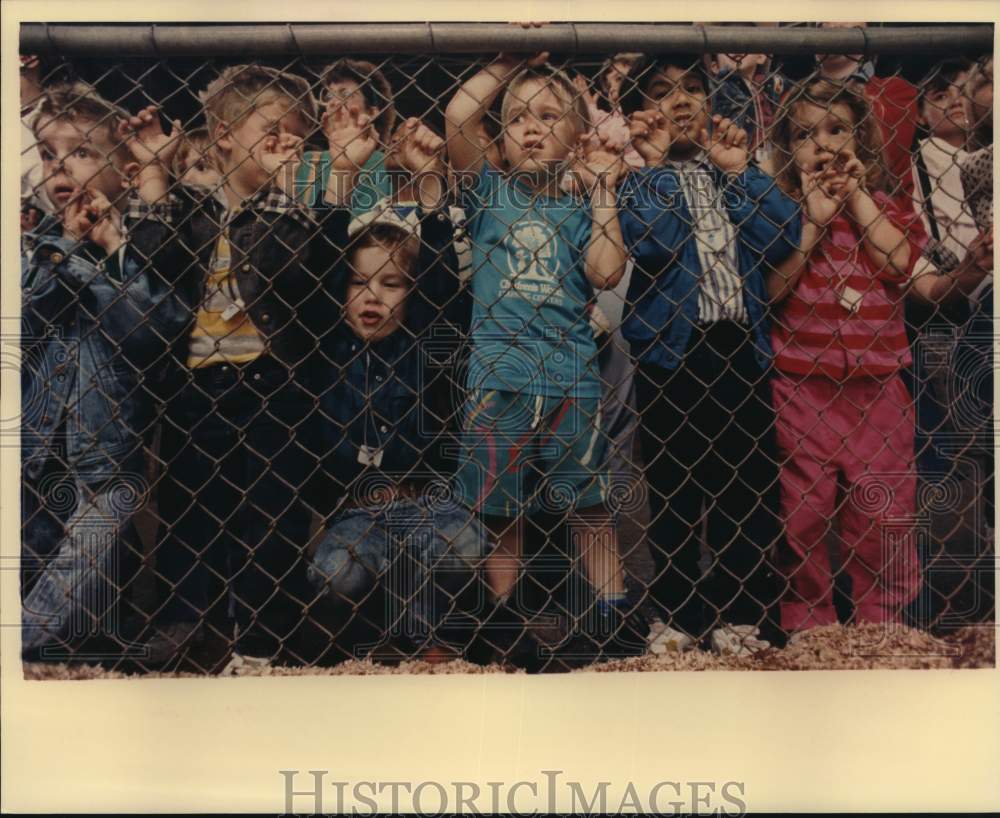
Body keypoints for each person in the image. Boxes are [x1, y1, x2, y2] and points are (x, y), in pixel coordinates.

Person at [125, 64, 335, 674]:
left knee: (273, 517)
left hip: (274, 384)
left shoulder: (294, 210)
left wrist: (293, 195)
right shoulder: (189, 207)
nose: (285, 144)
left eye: (296, 134)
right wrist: (152, 170)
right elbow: (149, 264)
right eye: (270, 131)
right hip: (198, 386)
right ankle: (189, 635)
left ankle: (264, 642)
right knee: (190, 512)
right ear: (222, 136)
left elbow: (304, 279)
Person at [445, 50, 646, 669]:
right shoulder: (489, 190)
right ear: (500, 139)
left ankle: (617, 618)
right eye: (517, 119)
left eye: (549, 116)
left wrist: (604, 189)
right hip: (501, 379)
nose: (531, 128)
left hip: (569, 378)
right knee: (503, 508)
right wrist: (507, 61)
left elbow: (606, 270)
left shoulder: (579, 206)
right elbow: (457, 117)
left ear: (575, 137)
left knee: (586, 502)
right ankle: (503, 622)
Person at [616, 54, 802, 656]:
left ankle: (741, 612)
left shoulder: (730, 170)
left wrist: (739, 169)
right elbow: (653, 242)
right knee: (675, 488)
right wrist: (658, 164)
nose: (682, 101)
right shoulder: (640, 179)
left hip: (737, 347)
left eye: (693, 89)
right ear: (640, 113)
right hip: (675, 355)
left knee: (742, 488)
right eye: (663, 92)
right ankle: (675, 612)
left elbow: (782, 235)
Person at [306, 113, 485, 663]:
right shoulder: (325, 348)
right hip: (358, 512)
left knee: (462, 547)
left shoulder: (426, 344)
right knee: (333, 574)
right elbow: (316, 266)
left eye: (390, 283)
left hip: (432, 507)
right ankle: (372, 630)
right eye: (359, 282)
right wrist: (341, 172)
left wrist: (429, 180)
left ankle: (425, 635)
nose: (372, 295)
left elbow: (437, 284)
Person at [20, 82, 185, 658]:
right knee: (41, 561)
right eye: (47, 153)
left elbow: (152, 331)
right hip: (27, 455)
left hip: (104, 463)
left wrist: (103, 255)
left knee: (93, 545)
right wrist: (61, 249)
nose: (60, 165)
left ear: (127, 174)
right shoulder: (31, 247)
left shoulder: (136, 250)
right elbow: (20, 323)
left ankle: (24, 644)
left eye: (83, 152)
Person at [767, 78, 928, 634]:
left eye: (838, 130)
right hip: (800, 384)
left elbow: (896, 260)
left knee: (881, 507)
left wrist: (857, 198)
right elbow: (771, 290)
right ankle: (807, 618)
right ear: (788, 151)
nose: (825, 145)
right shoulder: (784, 211)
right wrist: (811, 221)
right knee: (803, 511)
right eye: (806, 135)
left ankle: (882, 617)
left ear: (862, 141)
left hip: (877, 387)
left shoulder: (883, 205)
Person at [294, 58, 396, 218]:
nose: (333, 102)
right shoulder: (308, 162)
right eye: (328, 96)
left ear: (372, 112)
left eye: (345, 94)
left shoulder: (391, 165)